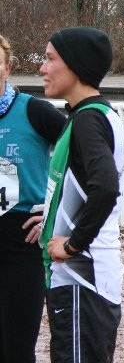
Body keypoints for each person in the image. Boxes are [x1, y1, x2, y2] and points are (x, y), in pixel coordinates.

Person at [38, 27, 124, 362]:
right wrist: (46, 218)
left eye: (50, 59)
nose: (43, 68)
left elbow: (105, 188)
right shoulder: (95, 114)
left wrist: (73, 244)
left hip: (81, 282)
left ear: (75, 65)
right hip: (85, 285)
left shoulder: (88, 120)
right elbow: (79, 186)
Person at [0, 35, 66, 363]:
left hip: (21, 240)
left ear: (7, 68)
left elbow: (83, 160)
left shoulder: (33, 112)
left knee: (16, 347)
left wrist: (55, 212)